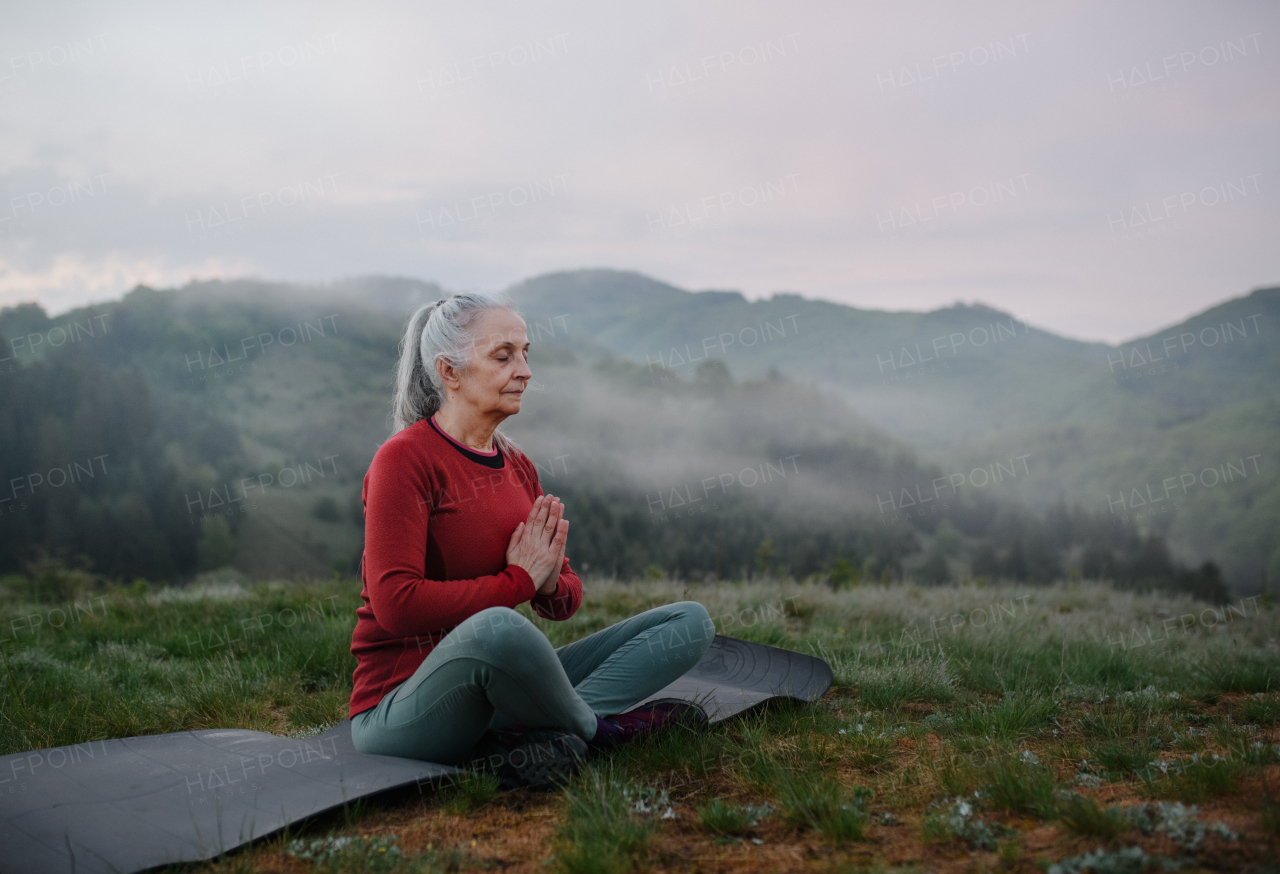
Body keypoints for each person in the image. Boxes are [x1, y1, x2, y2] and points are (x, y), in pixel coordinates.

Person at [348, 289, 715, 786]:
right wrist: (519, 581)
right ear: (449, 373)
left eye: (525, 354)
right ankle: (599, 732)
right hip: (402, 712)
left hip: (494, 697)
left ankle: (537, 735)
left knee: (687, 621)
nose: (524, 370)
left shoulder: (516, 466)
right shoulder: (403, 461)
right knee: (499, 627)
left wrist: (545, 583)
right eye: (503, 356)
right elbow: (395, 605)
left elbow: (564, 600)